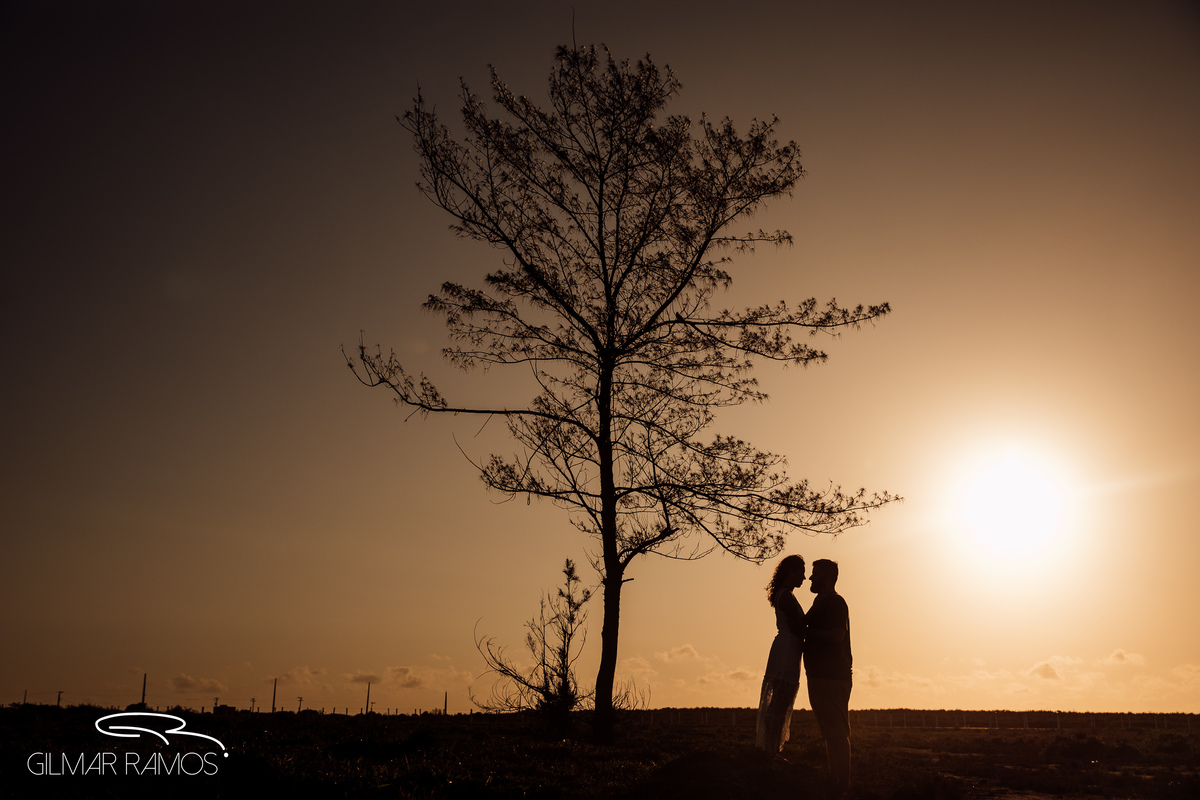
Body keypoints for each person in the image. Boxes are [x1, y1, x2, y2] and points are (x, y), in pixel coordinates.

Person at [804, 558, 852, 797]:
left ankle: (842, 786)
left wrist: (806, 632)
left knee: (837, 733)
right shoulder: (820, 601)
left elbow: (836, 637)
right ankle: (835, 783)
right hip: (819, 676)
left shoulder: (835, 603)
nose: (811, 578)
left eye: (815, 574)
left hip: (832, 677)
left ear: (828, 577)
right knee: (829, 733)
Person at [755, 554, 806, 753]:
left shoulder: (786, 594)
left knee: (781, 703)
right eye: (801, 573)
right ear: (792, 572)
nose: (803, 577)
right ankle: (771, 749)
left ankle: (772, 748)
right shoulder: (785, 595)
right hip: (785, 651)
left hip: (789, 650)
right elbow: (797, 626)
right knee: (779, 703)